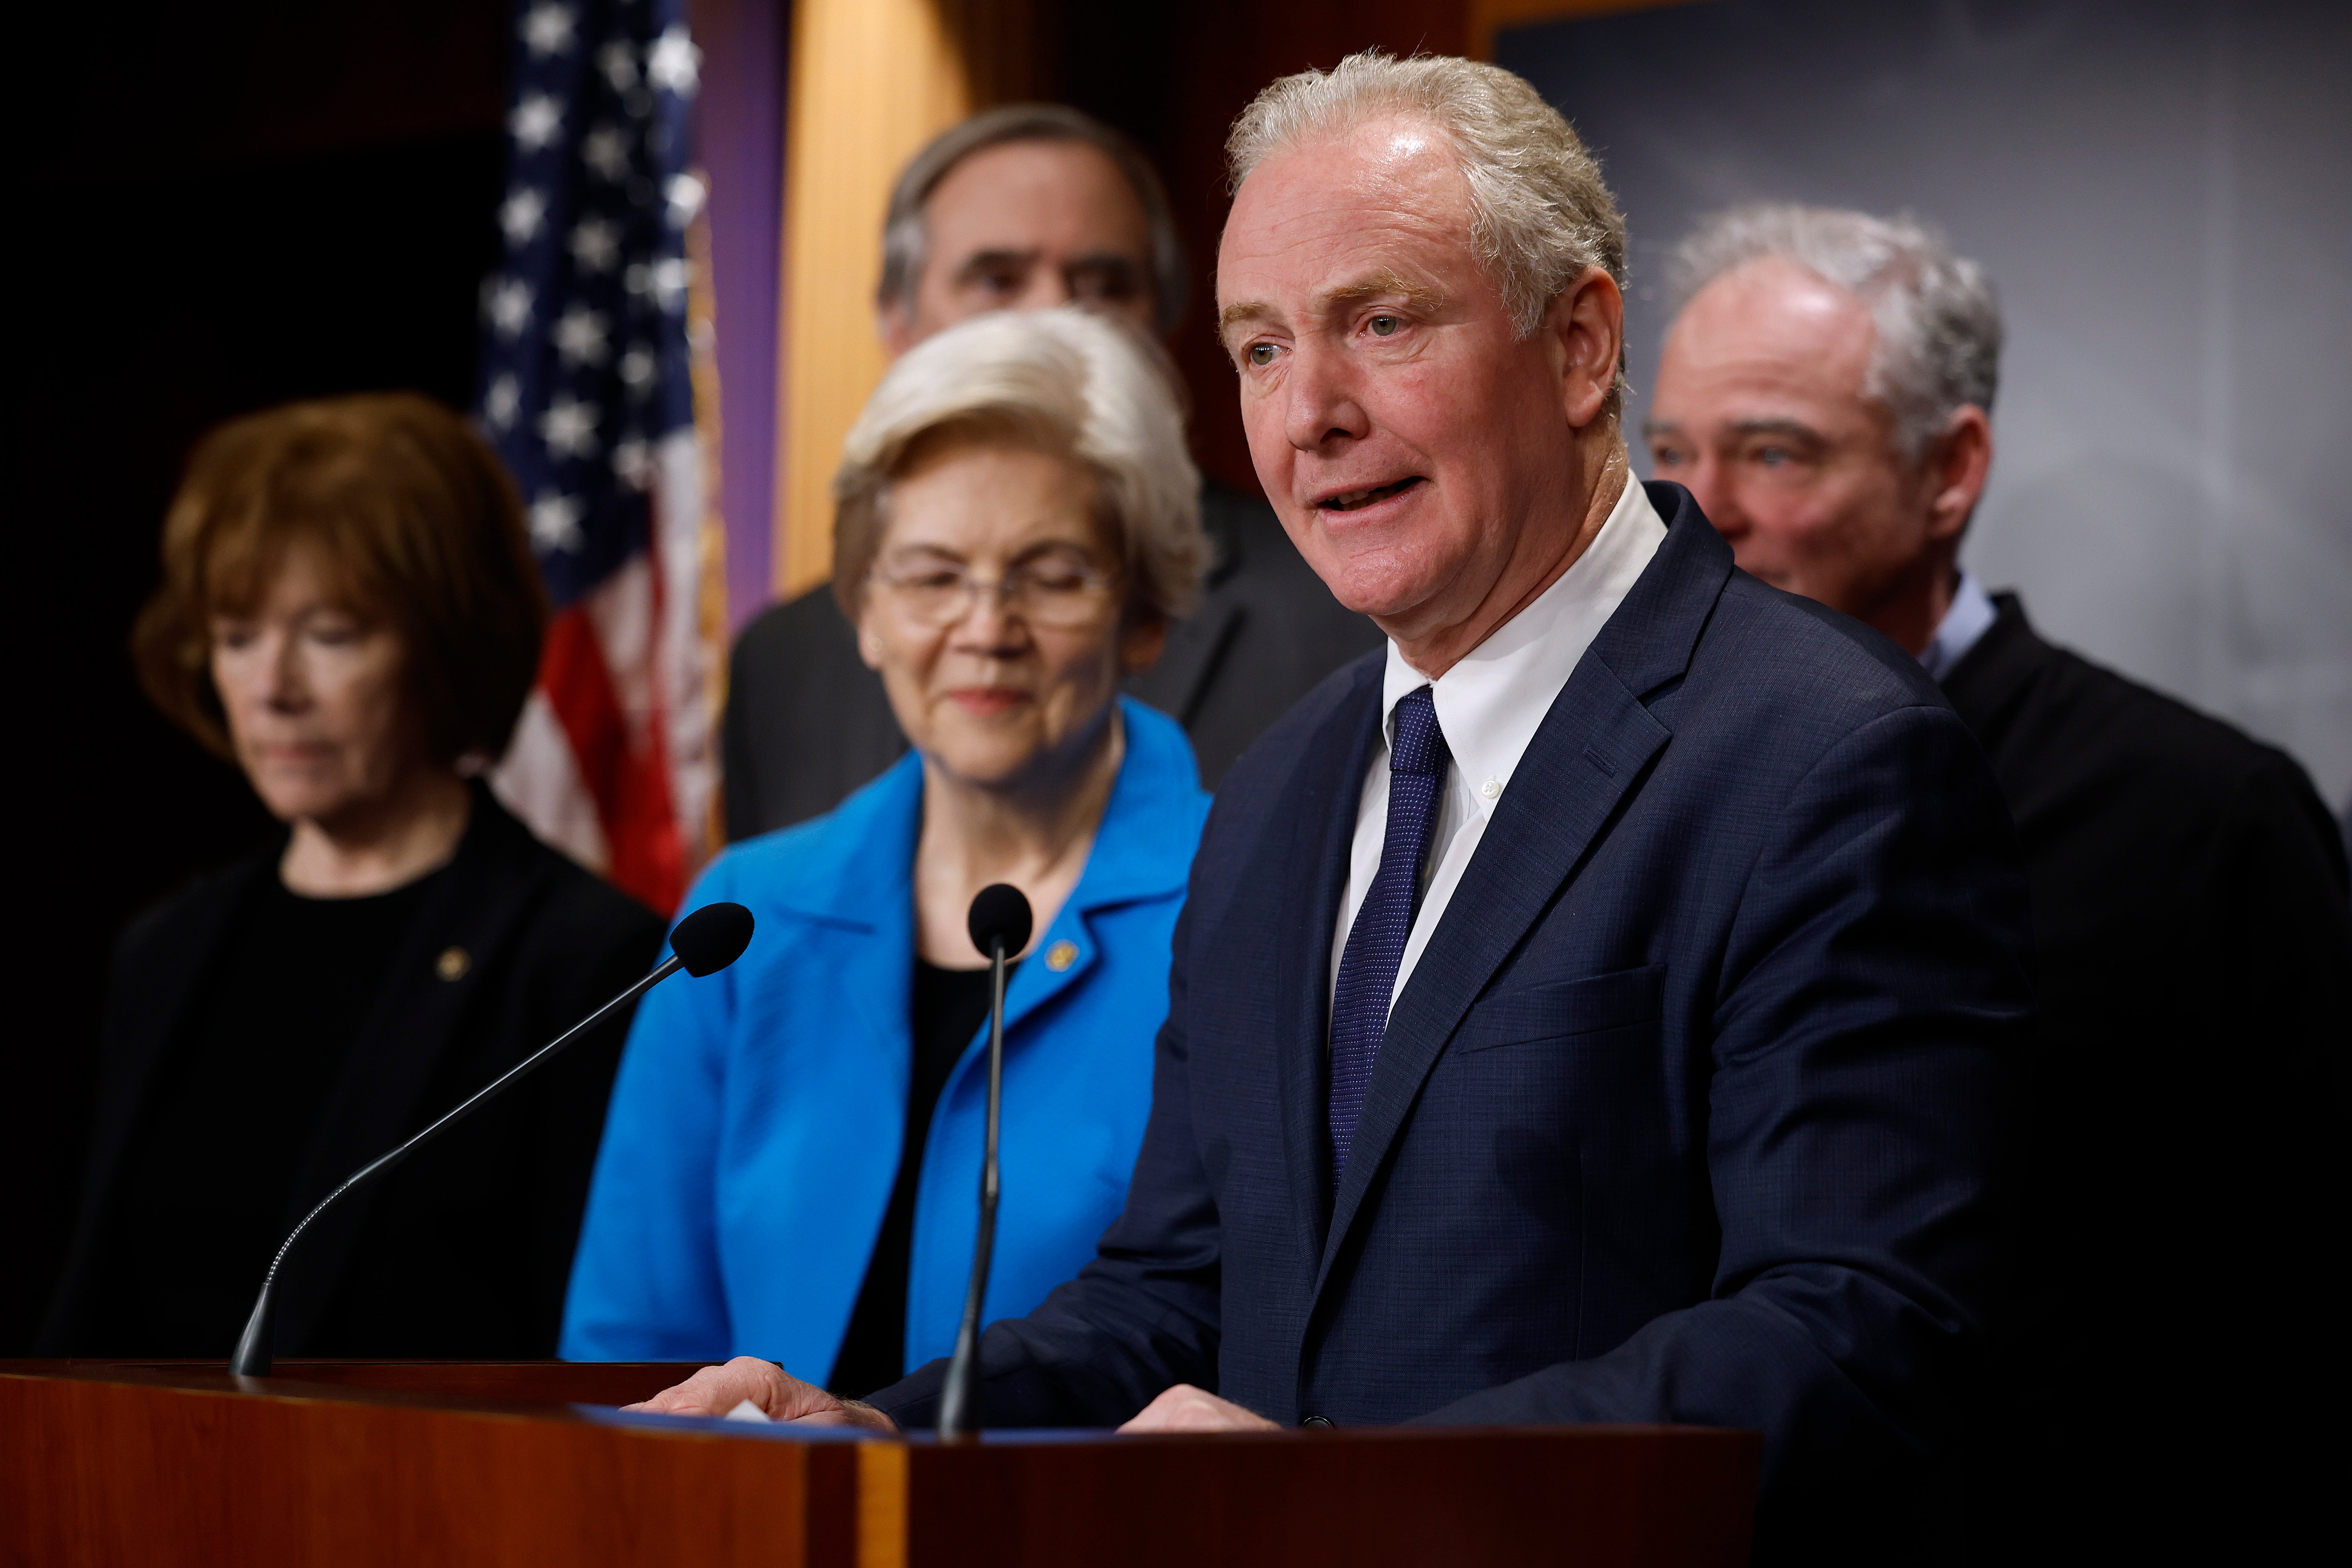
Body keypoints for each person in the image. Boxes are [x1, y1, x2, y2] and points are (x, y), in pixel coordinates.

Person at [629, 56, 2033, 1564]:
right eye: (1256, 348)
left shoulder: (1826, 756)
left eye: (1380, 322)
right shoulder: (1282, 789)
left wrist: (1352, 1490)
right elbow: (1174, 1289)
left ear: (1576, 345)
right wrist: (891, 1428)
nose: (1307, 415)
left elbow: (1860, 1330)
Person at [1642, 204, 2352, 1562]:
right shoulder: (1629, 791)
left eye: (1771, 453)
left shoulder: (2203, 818)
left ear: (1947, 470)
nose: (1697, 512)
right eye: (1667, 454)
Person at [561, 309, 1214, 1396]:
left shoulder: (1244, 905)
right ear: (864, 610)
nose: (984, 626)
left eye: (1050, 575)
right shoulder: (744, 918)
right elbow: (634, 1350)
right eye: (929, 574)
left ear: (1142, 616)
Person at [39, 393, 666, 1359]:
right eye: (238, 636)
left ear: (443, 647)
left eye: (330, 635)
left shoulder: (582, 961)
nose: (273, 689)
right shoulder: (163, 952)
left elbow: (594, 1353)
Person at [724, 104, 1380, 830]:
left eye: (1102, 284)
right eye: (998, 279)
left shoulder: (1348, 611)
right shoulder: (782, 663)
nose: (1056, 316)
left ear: (1168, 324)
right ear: (896, 323)